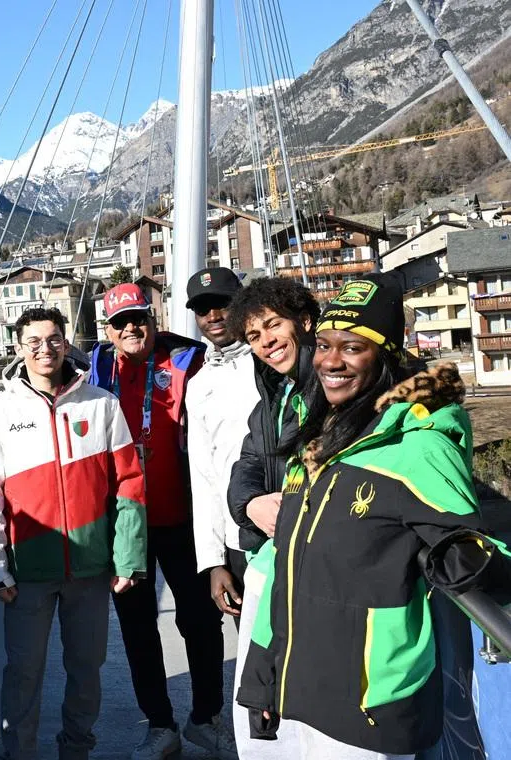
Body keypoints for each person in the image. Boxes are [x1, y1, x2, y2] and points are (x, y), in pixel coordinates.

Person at [237, 274, 511, 759]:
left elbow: (479, 553)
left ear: (385, 355)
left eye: (352, 347)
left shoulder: (419, 445)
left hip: (371, 709)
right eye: (323, 345)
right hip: (302, 696)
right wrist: (262, 677)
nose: (331, 360)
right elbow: (287, 570)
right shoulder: (320, 441)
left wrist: (466, 557)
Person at [0, 306, 147, 760]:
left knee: (86, 670)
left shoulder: (101, 404)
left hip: (89, 567)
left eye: (52, 340)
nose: (44, 350)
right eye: (33, 342)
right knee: (23, 672)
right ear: (18, 348)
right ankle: (19, 753)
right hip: (27, 570)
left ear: (66, 343)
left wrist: (128, 557)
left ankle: (76, 750)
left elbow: (129, 482)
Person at [87, 283, 233, 760]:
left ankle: (206, 718)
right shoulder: (96, 370)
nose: (131, 328)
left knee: (201, 620)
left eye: (139, 318)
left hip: (184, 518)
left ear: (154, 318)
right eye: (120, 322)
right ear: (107, 331)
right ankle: (161, 725)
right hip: (127, 523)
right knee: (137, 628)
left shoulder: (190, 359)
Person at [223, 276, 319, 758]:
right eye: (254, 337)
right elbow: (246, 467)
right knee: (267, 703)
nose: (267, 343)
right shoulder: (271, 400)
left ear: (303, 321)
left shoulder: (332, 384)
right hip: (275, 559)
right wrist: (250, 505)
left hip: (322, 567)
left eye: (273, 326)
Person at [184, 268, 258, 625]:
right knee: (256, 656)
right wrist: (214, 561)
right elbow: (204, 476)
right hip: (237, 542)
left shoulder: (271, 362)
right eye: (203, 309)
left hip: (290, 528)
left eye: (223, 304)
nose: (213, 316)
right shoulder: (198, 385)